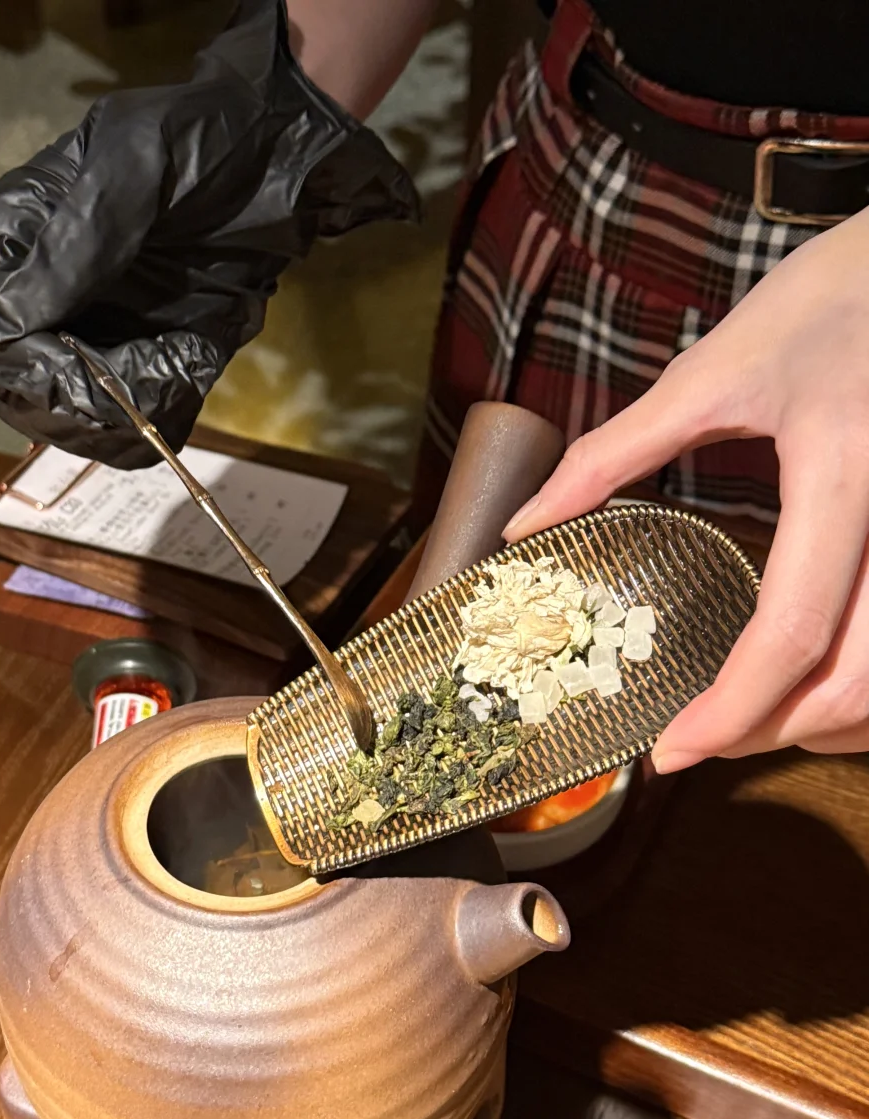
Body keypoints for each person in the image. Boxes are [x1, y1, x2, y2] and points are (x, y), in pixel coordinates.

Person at [288, 0, 869, 770]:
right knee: (466, 652)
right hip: (584, 177)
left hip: (848, 324)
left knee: (808, 703)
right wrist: (259, 121)